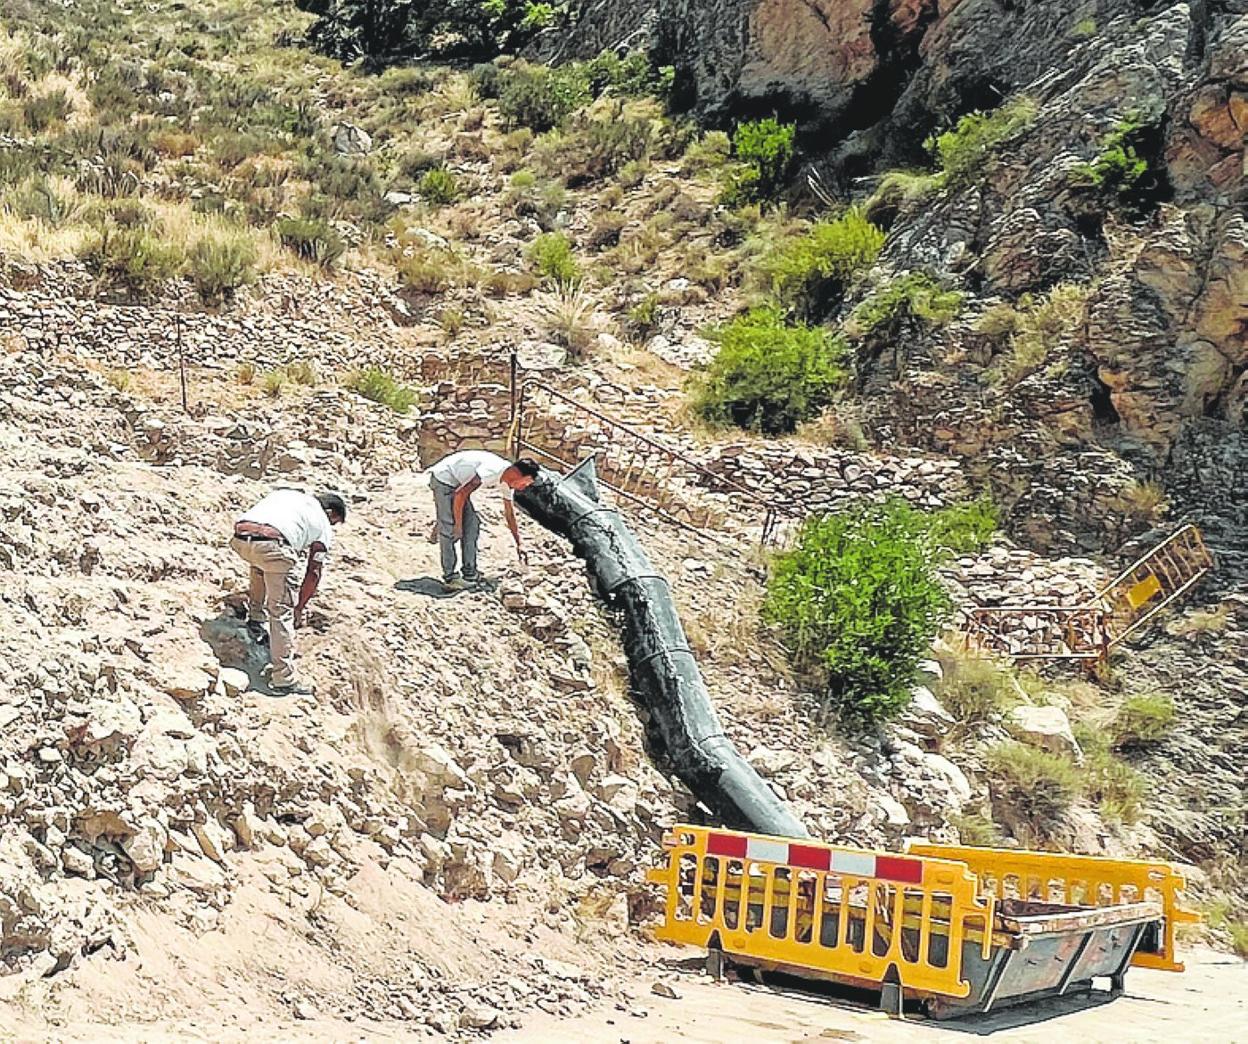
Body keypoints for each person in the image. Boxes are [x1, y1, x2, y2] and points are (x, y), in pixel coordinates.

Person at [230, 489, 347, 694]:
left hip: (240, 537)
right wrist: (298, 607)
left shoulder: (287, 495)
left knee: (261, 564)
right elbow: (314, 571)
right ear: (329, 512)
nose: (332, 527)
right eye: (334, 522)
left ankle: (256, 619)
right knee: (280, 611)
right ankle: (283, 679)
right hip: (273, 544)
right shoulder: (322, 521)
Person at [428, 451, 539, 590]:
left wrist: (519, 543)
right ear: (517, 474)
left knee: (472, 525)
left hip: (459, 485)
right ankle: (450, 578)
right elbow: (460, 494)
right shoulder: (491, 472)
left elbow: (509, 514)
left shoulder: (507, 480)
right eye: (525, 483)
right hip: (444, 479)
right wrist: (457, 525)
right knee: (450, 530)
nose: (524, 488)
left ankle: (470, 573)